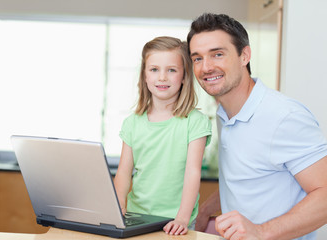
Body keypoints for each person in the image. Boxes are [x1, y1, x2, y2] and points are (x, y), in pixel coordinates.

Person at [187, 13, 327, 240]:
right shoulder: (224, 114)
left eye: (218, 54)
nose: (206, 67)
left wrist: (261, 232)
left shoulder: (284, 116)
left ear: (245, 56)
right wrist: (205, 210)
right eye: (197, 58)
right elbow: (245, 179)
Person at [113, 36, 212, 235]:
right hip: (136, 216)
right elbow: (124, 172)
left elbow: (192, 173)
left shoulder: (195, 122)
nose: (162, 77)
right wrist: (119, 204)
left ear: (184, 76)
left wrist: (182, 218)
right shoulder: (132, 123)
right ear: (145, 76)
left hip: (176, 221)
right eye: (154, 69)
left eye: (172, 70)